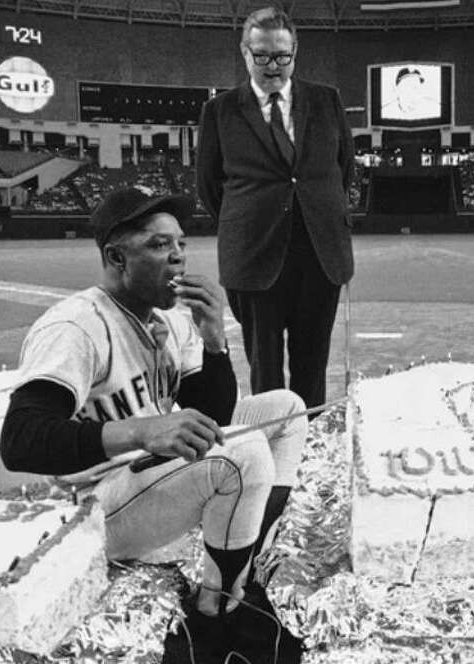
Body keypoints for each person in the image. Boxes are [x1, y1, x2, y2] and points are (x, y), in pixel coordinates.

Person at [0, 187, 306, 637]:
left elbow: (213, 415)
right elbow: (20, 442)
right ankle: (219, 612)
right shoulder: (77, 326)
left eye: (181, 243)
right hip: (92, 503)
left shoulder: (166, 321)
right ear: (117, 258)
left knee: (286, 409)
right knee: (245, 455)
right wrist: (141, 431)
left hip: (146, 475)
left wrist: (214, 340)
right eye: (159, 245)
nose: (178, 257)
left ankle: (246, 556)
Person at [196, 6, 354, 410]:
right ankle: (271, 453)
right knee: (264, 369)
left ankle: (308, 442)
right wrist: (252, 221)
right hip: (254, 257)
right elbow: (210, 186)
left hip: (320, 254)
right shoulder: (220, 111)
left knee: (312, 363)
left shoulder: (326, 100)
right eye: (262, 55)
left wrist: (315, 213)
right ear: (245, 53)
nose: (273, 65)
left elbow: (344, 170)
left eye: (282, 56)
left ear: (295, 54)